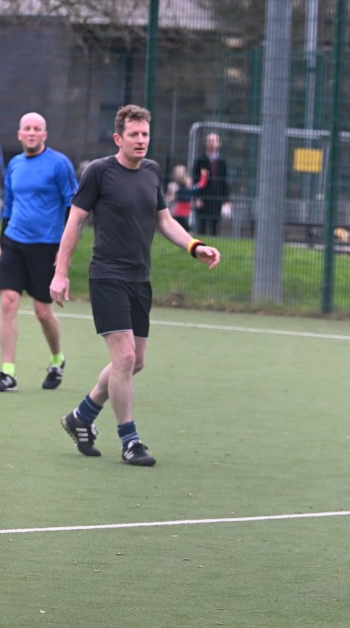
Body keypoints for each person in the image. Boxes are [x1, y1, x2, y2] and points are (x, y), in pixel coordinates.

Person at [49, 104, 221, 467]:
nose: (141, 140)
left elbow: (165, 221)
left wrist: (195, 246)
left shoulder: (152, 172)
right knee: (124, 357)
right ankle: (130, 441)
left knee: (134, 362)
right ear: (118, 138)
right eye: (134, 135)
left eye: (145, 134)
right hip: (107, 276)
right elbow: (75, 223)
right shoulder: (98, 172)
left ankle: (81, 416)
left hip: (139, 280)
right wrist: (60, 272)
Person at [0, 112, 77, 392]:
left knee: (42, 311)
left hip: (47, 246)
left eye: (36, 129)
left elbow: (71, 209)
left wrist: (64, 255)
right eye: (26, 128)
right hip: (14, 242)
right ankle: (7, 373)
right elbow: (9, 208)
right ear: (19, 134)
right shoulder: (14, 164)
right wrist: (2, 245)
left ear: (44, 135)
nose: (31, 133)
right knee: (8, 302)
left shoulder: (59, 164)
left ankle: (57, 359)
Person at [191, 132, 229, 236]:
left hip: (217, 196)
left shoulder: (222, 162)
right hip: (203, 196)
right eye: (209, 141)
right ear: (206, 144)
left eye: (214, 141)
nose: (212, 143)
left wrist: (226, 200)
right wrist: (197, 197)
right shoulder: (200, 161)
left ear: (219, 144)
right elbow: (196, 180)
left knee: (215, 223)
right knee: (202, 223)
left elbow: (225, 181)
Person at [165, 164, 208, 231]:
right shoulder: (189, 190)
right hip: (182, 212)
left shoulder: (180, 190)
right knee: (185, 228)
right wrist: (204, 175)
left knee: (180, 227)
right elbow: (201, 185)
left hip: (181, 212)